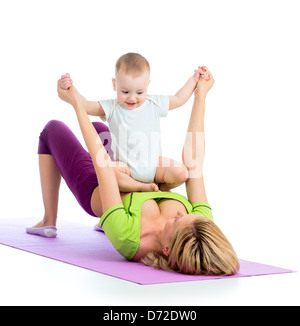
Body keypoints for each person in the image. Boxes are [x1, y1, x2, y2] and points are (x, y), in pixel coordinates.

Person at [26, 69, 240, 276]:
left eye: (176, 221)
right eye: (185, 215)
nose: (180, 213)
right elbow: (194, 163)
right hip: (128, 173)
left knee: (52, 130)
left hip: (97, 184)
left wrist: (76, 103)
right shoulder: (199, 226)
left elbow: (104, 169)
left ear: (166, 249)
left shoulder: (129, 237)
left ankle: (48, 219)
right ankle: (107, 219)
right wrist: (200, 95)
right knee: (102, 130)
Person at [59, 53, 210, 192]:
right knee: (109, 173)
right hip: (126, 169)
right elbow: (85, 105)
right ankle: (140, 187)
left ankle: (159, 187)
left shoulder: (154, 103)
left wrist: (194, 79)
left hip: (155, 166)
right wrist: (71, 88)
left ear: (147, 86)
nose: (132, 98)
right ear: (114, 84)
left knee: (182, 173)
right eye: (125, 92)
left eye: (139, 92)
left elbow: (179, 99)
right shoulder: (112, 107)